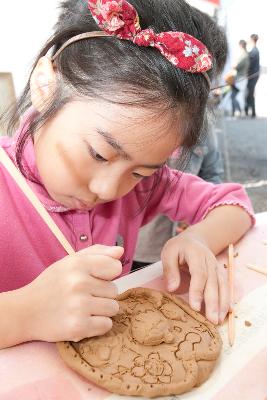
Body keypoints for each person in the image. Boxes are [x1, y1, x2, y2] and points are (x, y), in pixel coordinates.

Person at [0, 0, 254, 349]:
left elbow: (233, 202)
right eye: (99, 154)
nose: (108, 189)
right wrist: (23, 314)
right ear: (45, 85)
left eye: (139, 171)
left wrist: (197, 239)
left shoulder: (143, 188)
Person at [133, 123, 224, 268]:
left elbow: (212, 176)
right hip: (140, 245)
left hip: (183, 247)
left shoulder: (203, 124)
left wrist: (200, 224)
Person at [230, 40, 249, 117]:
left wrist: (234, 65)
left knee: (234, 96)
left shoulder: (244, 55)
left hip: (240, 78)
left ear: (241, 45)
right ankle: (236, 112)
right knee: (235, 96)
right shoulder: (245, 54)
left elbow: (236, 66)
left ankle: (237, 112)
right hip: (241, 78)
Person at [245, 34, 260, 118]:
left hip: (253, 76)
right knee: (249, 93)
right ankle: (248, 111)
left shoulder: (255, 51)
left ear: (252, 40)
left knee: (250, 93)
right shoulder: (254, 50)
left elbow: (250, 62)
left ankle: (252, 112)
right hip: (252, 75)